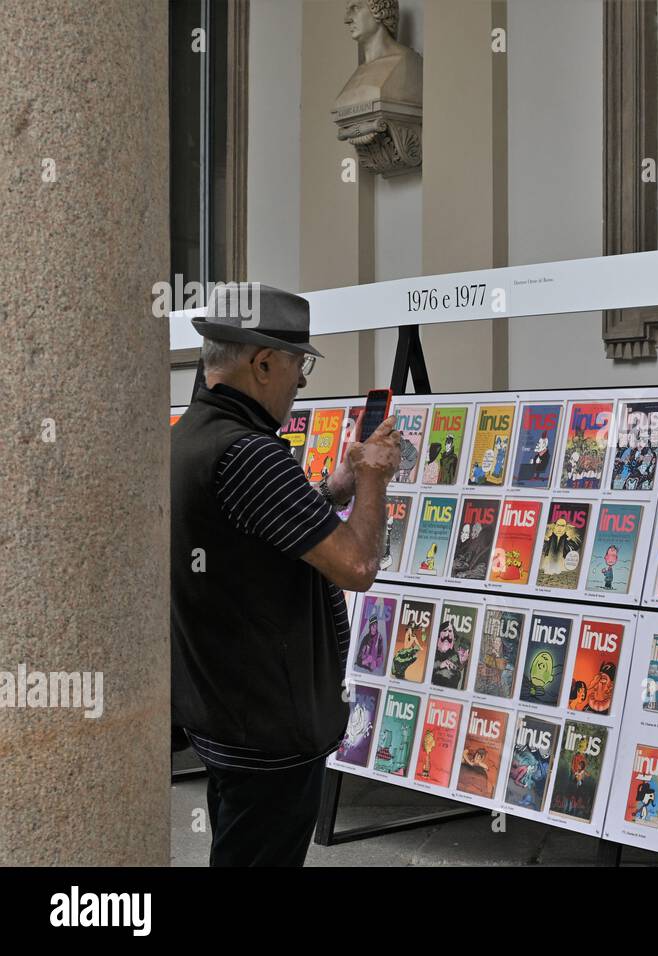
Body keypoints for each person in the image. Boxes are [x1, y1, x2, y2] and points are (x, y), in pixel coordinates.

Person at [171, 283, 401, 867]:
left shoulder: (194, 434)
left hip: (222, 714)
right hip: (268, 729)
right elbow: (357, 566)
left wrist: (332, 490)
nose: (302, 381)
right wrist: (372, 478)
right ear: (263, 362)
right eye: (300, 363)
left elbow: (247, 528)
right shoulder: (250, 452)